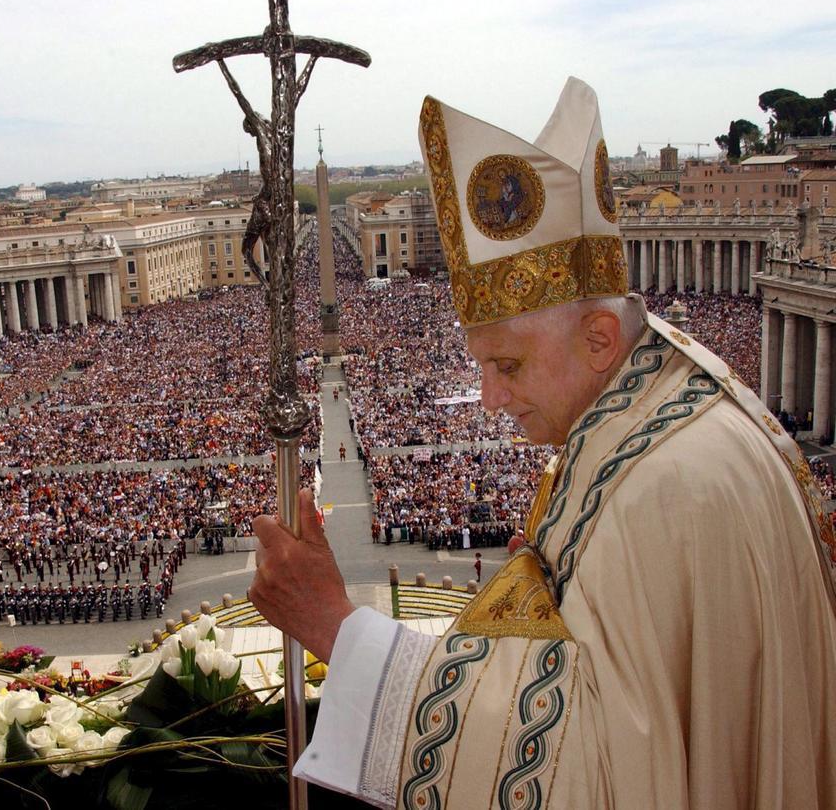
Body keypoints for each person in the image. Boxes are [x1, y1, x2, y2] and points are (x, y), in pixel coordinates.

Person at [249, 78, 836, 808]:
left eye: (508, 365)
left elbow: (590, 768)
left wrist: (338, 630)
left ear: (598, 338)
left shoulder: (665, 486)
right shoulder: (652, 423)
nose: (491, 398)